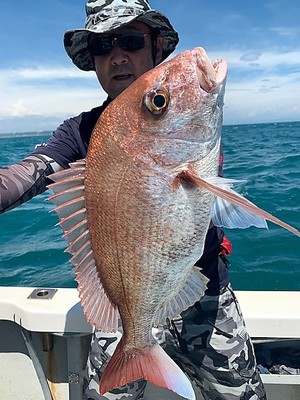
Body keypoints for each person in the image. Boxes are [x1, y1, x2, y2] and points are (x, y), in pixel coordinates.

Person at [0, 1, 267, 399]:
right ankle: (137, 347)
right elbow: (32, 170)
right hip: (125, 307)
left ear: (157, 47)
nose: (117, 56)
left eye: (129, 40)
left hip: (204, 292)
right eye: (102, 47)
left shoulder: (176, 110)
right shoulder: (81, 132)